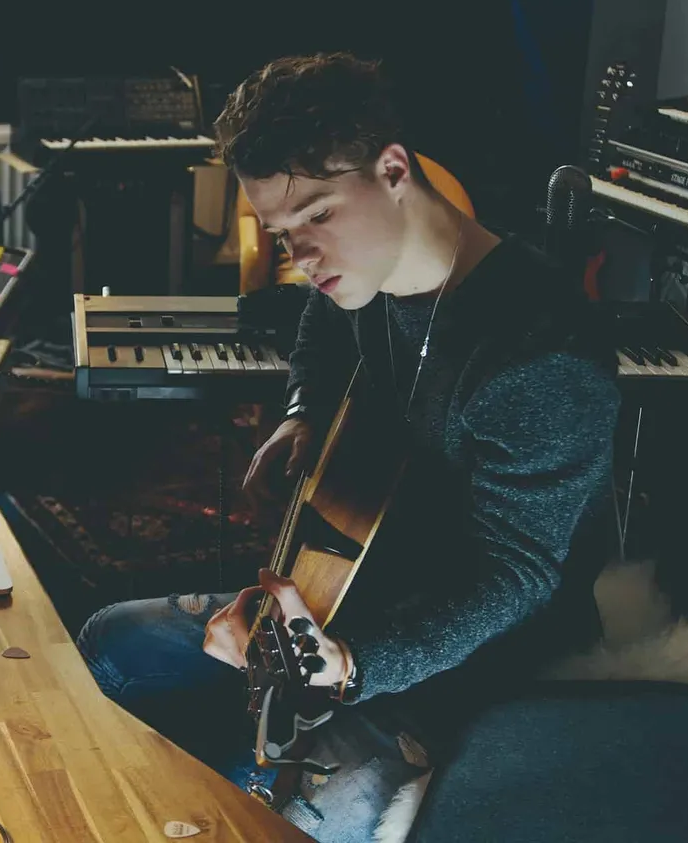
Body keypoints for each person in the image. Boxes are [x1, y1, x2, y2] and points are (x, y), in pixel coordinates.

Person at [76, 52, 622, 841]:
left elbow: (516, 574)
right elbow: (322, 323)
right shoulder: (361, 276)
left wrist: (354, 662)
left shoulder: (540, 359)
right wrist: (305, 410)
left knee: (240, 812)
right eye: (282, 232)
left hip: (475, 663)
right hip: (354, 590)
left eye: (320, 216)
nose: (303, 257)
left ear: (394, 169)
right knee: (109, 642)